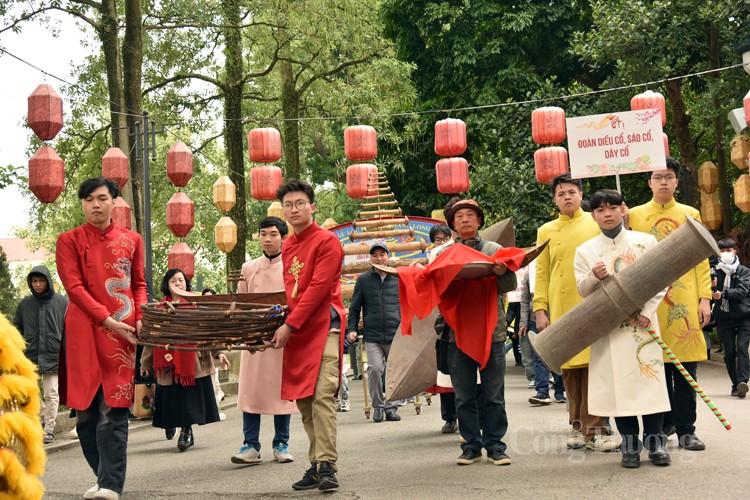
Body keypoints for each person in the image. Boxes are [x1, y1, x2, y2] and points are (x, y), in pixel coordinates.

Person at [56, 177, 148, 500]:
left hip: (121, 337)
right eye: (89, 199)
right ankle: (103, 475)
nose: (95, 204)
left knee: (113, 410)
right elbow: (74, 289)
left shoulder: (132, 240)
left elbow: (138, 284)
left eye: (102, 198)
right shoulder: (68, 241)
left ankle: (110, 484)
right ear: (82, 204)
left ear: (113, 202)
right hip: (82, 334)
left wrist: (138, 320)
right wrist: (107, 318)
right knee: (85, 415)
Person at [574, 189, 671, 468]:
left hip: (643, 327)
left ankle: (656, 445)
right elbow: (582, 290)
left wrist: (647, 311)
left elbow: (661, 279)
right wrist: (594, 276)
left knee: (649, 385)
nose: (607, 214)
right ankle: (629, 446)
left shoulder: (646, 241)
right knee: (618, 388)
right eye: (600, 210)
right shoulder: (585, 251)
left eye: (612, 208)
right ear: (593, 216)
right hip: (609, 330)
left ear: (622, 209)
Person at [628, 157, 712, 451]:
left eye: (669, 177)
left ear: (677, 181)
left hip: (685, 301)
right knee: (656, 371)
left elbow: (701, 258)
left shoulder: (691, 213)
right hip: (650, 303)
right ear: (649, 182)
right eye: (657, 177)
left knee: (686, 370)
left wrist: (704, 298)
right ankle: (660, 430)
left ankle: (687, 429)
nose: (663, 182)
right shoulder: (634, 215)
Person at [533, 173, 617, 452]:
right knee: (570, 369)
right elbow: (541, 272)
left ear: (582, 195)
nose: (567, 197)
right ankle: (577, 425)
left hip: (593, 301)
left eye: (571, 192)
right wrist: (540, 309)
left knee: (595, 365)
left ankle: (595, 427)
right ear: (555, 200)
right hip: (561, 303)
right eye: (561, 194)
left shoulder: (595, 222)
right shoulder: (546, 230)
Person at [271, 180, 346, 491]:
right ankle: (316, 464)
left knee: (322, 397)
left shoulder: (328, 242)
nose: (294, 209)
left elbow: (317, 289)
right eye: (288, 205)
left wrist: (289, 325)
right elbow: (293, 292)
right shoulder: (287, 245)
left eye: (300, 203)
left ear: (312, 206)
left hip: (323, 327)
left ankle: (327, 463)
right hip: (300, 329)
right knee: (304, 401)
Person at [438, 199, 516, 466]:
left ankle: (495, 445)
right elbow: (436, 291)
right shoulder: (444, 254)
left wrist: (502, 271)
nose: (465, 220)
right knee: (463, 395)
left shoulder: (494, 249)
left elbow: (509, 284)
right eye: (459, 217)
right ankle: (471, 445)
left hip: (492, 333)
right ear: (452, 225)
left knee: (494, 393)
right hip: (456, 334)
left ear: (479, 221)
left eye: (470, 215)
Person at [231, 217, 298, 466]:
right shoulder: (248, 268)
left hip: (283, 339)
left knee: (282, 393)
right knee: (252, 391)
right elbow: (241, 302)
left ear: (283, 237)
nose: (267, 239)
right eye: (263, 234)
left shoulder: (292, 267)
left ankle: (282, 443)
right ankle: (250, 445)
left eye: (273, 234)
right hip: (255, 340)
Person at [140, 269, 227, 452]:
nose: (178, 283)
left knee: (188, 401)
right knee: (174, 400)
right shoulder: (159, 309)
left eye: (181, 280)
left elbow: (209, 332)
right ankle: (175, 425)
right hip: (168, 363)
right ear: (167, 285)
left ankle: (186, 432)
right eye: (174, 280)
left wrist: (219, 352)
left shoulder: (196, 305)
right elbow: (151, 338)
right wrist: (145, 363)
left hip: (193, 363)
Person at [347, 242, 402, 423]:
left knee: (394, 371)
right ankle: (378, 406)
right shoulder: (363, 280)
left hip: (395, 333)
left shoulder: (397, 277)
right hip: (373, 335)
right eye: (375, 255)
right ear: (370, 259)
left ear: (388, 256)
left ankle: (391, 407)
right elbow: (354, 308)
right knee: (375, 369)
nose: (379, 258)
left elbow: (407, 304)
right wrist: (353, 329)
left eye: (382, 254)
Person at [13, 265, 68, 443]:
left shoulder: (62, 302)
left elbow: (70, 328)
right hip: (30, 356)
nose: (38, 284)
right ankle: (43, 416)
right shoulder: (24, 304)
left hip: (54, 354)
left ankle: (49, 429)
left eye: (41, 280)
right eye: (35, 281)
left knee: (51, 392)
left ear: (48, 281)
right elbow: (16, 329)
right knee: (29, 393)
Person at [519, 260, 565, 405]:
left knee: (559, 355)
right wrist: (523, 323)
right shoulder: (529, 274)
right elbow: (525, 300)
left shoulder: (558, 269)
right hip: (535, 320)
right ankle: (542, 392)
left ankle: (560, 391)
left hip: (557, 317)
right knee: (539, 356)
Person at [427, 223, 458, 434]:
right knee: (445, 373)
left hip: (466, 323)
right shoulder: (433, 259)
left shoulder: (460, 252)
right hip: (444, 327)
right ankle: (449, 418)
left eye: (445, 238)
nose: (441, 243)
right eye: (437, 240)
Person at [711, 238, 750, 398]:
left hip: (744, 316)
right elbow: (707, 294)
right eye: (722, 250)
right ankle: (735, 384)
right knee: (729, 352)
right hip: (724, 317)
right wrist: (712, 288)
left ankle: (743, 381)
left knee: (742, 347)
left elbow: (742, 291)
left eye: (729, 250)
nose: (725, 253)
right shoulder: (713, 271)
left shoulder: (744, 271)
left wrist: (724, 293)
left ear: (735, 251)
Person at [201, 287, 226, 421]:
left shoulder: (218, 315)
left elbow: (219, 337)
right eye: (205, 298)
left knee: (215, 383)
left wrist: (221, 352)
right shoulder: (198, 315)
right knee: (213, 384)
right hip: (203, 357)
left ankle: (215, 410)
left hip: (214, 355)